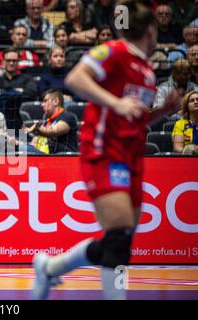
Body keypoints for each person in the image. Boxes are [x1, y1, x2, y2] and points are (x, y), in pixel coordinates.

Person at [32, 0, 181, 300]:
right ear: (150, 30)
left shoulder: (148, 71)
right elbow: (75, 79)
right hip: (105, 151)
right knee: (118, 238)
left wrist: (163, 111)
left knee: (120, 242)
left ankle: (49, 267)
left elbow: (134, 118)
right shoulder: (115, 50)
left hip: (132, 157)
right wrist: (114, 102)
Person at [24, 89, 78, 154]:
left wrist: (37, 129)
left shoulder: (68, 117)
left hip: (65, 158)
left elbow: (53, 132)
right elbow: (36, 144)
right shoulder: (47, 122)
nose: (42, 105)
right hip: (47, 156)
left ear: (56, 101)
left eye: (45, 101)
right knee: (20, 148)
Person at [172, 90, 198, 154]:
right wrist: (189, 150)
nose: (196, 102)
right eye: (192, 100)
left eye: (197, 99)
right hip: (188, 158)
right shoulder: (180, 124)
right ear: (187, 106)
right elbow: (177, 148)